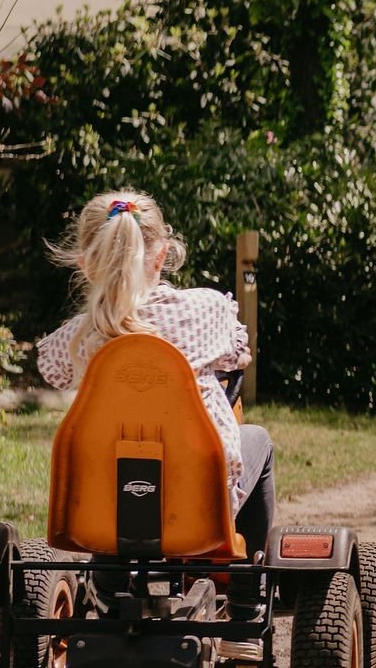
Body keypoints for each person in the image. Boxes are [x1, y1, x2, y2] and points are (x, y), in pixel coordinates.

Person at [35, 191, 273, 568]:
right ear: (162, 255)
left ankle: (112, 572)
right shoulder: (204, 310)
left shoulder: (78, 337)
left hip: (98, 509)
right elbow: (237, 354)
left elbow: (52, 371)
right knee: (257, 438)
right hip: (198, 507)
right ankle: (244, 579)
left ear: (86, 266)